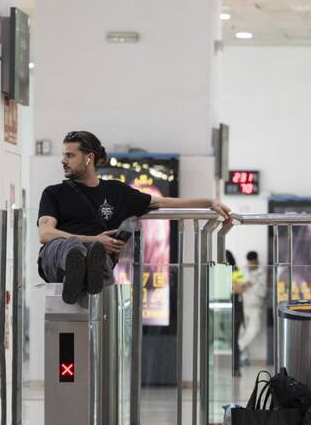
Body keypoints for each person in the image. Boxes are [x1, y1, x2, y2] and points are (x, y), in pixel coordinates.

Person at [37, 130, 232, 304]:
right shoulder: (54, 193)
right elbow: (45, 234)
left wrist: (208, 202)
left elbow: (161, 202)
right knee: (73, 247)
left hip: (96, 257)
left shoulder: (116, 192)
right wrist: (94, 239)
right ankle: (80, 276)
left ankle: (85, 280)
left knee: (98, 254)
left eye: (70, 155)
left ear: (89, 158)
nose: (63, 160)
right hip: (57, 259)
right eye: (64, 155)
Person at [238, 250, 267, 363]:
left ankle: (237, 348)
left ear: (257, 260)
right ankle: (243, 357)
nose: (251, 264)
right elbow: (238, 285)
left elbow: (263, 292)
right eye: (249, 262)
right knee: (242, 331)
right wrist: (245, 285)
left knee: (254, 330)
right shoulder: (243, 271)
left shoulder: (262, 273)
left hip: (255, 306)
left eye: (253, 262)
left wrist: (252, 285)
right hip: (243, 305)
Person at [225, 250, 246, 375]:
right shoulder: (217, 270)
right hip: (222, 306)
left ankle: (235, 368)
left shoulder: (236, 271)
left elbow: (240, 288)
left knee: (233, 339)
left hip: (235, 310)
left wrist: (229, 280)